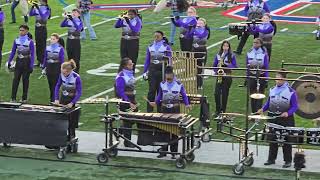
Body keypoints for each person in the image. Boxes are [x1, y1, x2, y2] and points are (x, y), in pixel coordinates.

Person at [257, 69, 298, 168]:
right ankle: (271, 159)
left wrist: (287, 113)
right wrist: (263, 109)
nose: (277, 80)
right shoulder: (272, 89)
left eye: (279, 79)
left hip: (286, 119)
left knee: (287, 140)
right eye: (276, 78)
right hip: (272, 117)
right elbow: (269, 102)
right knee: (272, 139)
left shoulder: (291, 91)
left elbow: (295, 106)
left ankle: (287, 161)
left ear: (284, 79)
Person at [150, 66, 190, 158]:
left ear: (173, 74)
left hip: (175, 110)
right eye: (166, 75)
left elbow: (184, 95)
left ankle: (174, 152)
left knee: (174, 131)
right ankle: (163, 151)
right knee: (164, 130)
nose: (167, 77)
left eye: (169, 75)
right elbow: (159, 95)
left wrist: (187, 104)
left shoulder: (179, 84)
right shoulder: (162, 84)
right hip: (164, 109)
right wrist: (155, 102)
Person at [143, 31, 172, 113]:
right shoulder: (150, 46)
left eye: (158, 36)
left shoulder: (166, 47)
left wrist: (169, 73)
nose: (156, 38)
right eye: (155, 36)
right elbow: (147, 60)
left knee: (161, 91)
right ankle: (149, 110)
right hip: (152, 70)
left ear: (162, 37)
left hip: (162, 70)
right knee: (151, 90)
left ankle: (160, 110)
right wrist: (145, 72)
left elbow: (170, 60)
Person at [54, 60, 82, 141]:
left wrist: (72, 103)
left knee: (71, 122)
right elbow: (57, 86)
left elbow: (79, 92)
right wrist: (56, 99)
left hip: (71, 101)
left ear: (69, 70)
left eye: (65, 71)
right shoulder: (61, 75)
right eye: (62, 70)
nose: (63, 73)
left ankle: (71, 137)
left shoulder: (76, 78)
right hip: (63, 100)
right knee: (61, 120)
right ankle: (61, 137)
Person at [7, 25, 35, 103]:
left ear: (26, 31)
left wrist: (31, 65)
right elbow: (13, 51)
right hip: (18, 61)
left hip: (26, 61)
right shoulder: (16, 40)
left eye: (22, 30)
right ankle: (13, 98)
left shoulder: (30, 41)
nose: (20, 32)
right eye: (20, 30)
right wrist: (9, 61)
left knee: (25, 80)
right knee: (15, 80)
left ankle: (24, 98)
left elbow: (32, 54)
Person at [115, 57, 137, 147]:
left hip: (132, 99)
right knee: (128, 121)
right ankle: (127, 142)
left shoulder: (130, 74)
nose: (132, 65)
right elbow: (120, 92)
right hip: (125, 101)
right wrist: (128, 102)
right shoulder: (121, 76)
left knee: (133, 118)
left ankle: (119, 131)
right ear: (125, 66)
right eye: (130, 64)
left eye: (132, 63)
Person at [213, 41, 237, 116]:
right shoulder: (218, 55)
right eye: (224, 46)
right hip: (219, 76)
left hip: (227, 76)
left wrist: (227, 64)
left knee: (224, 95)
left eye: (227, 46)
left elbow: (235, 66)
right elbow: (214, 66)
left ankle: (223, 111)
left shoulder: (231, 56)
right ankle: (218, 110)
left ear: (229, 47)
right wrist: (217, 70)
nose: (225, 47)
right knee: (216, 93)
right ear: (222, 47)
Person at [114, 9, 142, 73]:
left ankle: (131, 76)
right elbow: (116, 26)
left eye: (131, 14)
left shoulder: (138, 21)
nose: (130, 15)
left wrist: (128, 22)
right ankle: (122, 75)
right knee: (123, 59)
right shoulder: (125, 19)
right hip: (124, 41)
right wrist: (120, 18)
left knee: (132, 60)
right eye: (129, 14)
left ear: (135, 15)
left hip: (133, 42)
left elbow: (135, 30)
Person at [246, 38, 269, 113]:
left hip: (261, 76)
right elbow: (247, 66)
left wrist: (266, 79)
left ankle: (258, 114)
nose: (255, 44)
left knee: (260, 96)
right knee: (252, 95)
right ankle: (253, 113)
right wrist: (247, 77)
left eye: (257, 43)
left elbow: (266, 66)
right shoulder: (249, 52)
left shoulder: (264, 53)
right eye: (254, 42)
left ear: (260, 44)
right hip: (252, 76)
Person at [42, 33, 65, 102]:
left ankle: (55, 99)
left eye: (53, 39)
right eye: (51, 39)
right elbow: (45, 58)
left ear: (57, 40)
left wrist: (62, 70)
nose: (51, 40)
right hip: (49, 67)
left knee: (55, 84)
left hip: (56, 67)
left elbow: (62, 60)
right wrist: (43, 67)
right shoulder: (47, 47)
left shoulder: (60, 49)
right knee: (50, 84)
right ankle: (52, 99)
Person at [189, 17, 210, 89]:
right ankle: (196, 83)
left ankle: (200, 84)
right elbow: (188, 36)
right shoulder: (194, 30)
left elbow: (201, 36)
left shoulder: (206, 31)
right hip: (194, 51)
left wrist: (194, 29)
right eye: (198, 23)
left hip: (202, 51)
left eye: (201, 23)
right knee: (194, 67)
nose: (199, 24)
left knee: (200, 68)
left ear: (204, 24)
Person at [60, 9, 83, 73]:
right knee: (70, 56)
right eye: (73, 12)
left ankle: (76, 72)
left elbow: (78, 29)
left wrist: (72, 20)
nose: (73, 13)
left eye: (75, 12)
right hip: (69, 41)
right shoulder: (70, 21)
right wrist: (65, 18)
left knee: (76, 57)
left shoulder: (79, 21)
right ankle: (71, 71)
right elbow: (61, 25)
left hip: (76, 42)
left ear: (79, 14)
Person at [29, 0, 51, 67]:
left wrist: (38, 8)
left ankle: (44, 61)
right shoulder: (38, 7)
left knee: (42, 45)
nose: (39, 2)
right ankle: (39, 61)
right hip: (37, 28)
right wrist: (32, 7)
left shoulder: (47, 9)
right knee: (38, 45)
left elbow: (44, 17)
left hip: (42, 29)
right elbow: (31, 14)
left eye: (40, 1)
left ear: (44, 2)